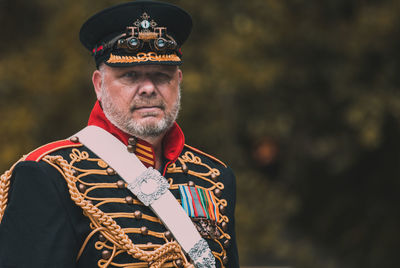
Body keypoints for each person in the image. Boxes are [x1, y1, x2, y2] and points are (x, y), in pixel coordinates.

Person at [0, 1, 239, 267]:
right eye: (130, 75)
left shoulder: (215, 176)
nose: (148, 88)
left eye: (161, 76)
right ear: (99, 85)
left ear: (178, 81)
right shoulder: (49, 173)